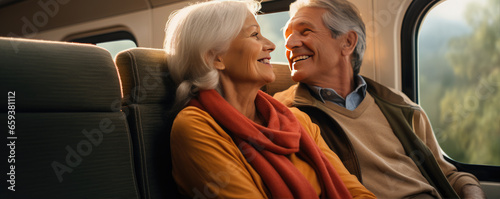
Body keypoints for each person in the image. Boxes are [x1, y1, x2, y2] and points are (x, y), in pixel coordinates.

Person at [273, 0, 485, 198]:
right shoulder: (285, 112)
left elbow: (448, 175)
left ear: (347, 42)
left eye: (306, 31)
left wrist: (472, 192)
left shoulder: (399, 105)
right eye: (287, 36)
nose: (289, 44)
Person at [164, 1, 375, 198]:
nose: (272, 45)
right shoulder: (196, 127)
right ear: (215, 58)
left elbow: (354, 191)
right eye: (255, 35)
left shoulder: (296, 120)